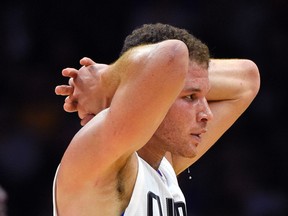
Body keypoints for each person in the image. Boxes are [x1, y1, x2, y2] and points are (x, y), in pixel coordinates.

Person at [54, 23, 260, 216]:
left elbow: (247, 79)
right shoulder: (103, 158)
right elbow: (172, 56)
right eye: (190, 97)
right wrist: (106, 79)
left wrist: (117, 80)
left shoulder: (162, 162)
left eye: (205, 96)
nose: (207, 114)